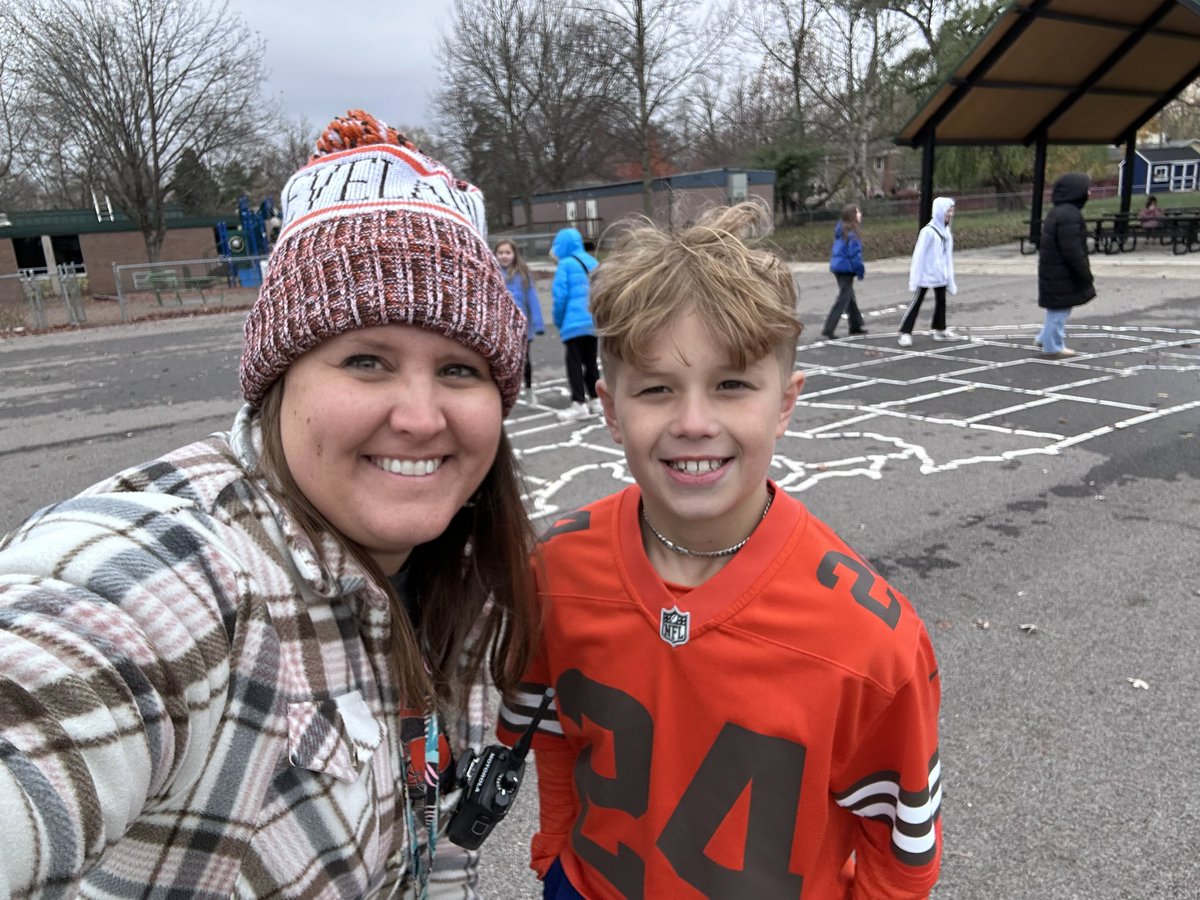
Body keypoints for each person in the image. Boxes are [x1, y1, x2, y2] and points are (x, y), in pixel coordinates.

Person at [0, 110, 539, 898]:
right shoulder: (184, 570)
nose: (423, 416)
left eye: (460, 370)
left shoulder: (463, 586)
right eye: (366, 361)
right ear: (277, 385)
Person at [499, 202, 943, 899]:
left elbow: (901, 853)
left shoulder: (872, 641)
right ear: (611, 409)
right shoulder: (553, 570)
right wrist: (557, 854)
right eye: (656, 389)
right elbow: (548, 730)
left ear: (785, 402)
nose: (695, 423)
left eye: (732, 384)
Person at [1036, 172, 1096, 360]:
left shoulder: (1060, 211)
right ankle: (1052, 346)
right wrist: (1084, 273)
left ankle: (1044, 338)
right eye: (1087, 190)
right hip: (1060, 272)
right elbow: (1071, 249)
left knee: (1058, 308)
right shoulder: (1068, 215)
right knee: (1059, 309)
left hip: (1055, 270)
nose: (1090, 194)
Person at [550, 227, 600, 421]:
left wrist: (559, 320)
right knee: (591, 362)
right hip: (592, 322)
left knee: (574, 363)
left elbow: (559, 296)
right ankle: (596, 400)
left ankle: (578, 403)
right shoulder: (593, 262)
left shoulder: (565, 264)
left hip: (573, 323)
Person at [899, 196, 959, 346]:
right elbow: (918, 256)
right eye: (947, 211)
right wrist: (915, 279)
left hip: (940, 275)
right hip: (926, 275)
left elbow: (947, 259)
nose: (950, 214)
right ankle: (905, 332)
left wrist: (950, 280)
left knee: (941, 302)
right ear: (940, 211)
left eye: (952, 211)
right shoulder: (928, 232)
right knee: (917, 301)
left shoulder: (947, 234)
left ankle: (940, 329)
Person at [496, 238, 545, 403]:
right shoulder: (493, 273)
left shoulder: (523, 274)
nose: (504, 256)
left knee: (525, 359)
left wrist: (538, 323)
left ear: (514, 254)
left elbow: (532, 299)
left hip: (523, 326)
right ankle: (505, 392)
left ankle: (529, 389)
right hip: (502, 326)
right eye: (500, 253)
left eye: (507, 252)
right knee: (503, 359)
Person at [823, 203, 868, 340]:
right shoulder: (852, 234)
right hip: (845, 268)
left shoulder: (841, 230)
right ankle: (829, 328)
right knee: (844, 298)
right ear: (852, 215)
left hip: (838, 267)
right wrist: (860, 271)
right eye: (858, 212)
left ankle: (855, 325)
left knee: (849, 297)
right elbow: (855, 256)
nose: (860, 214)